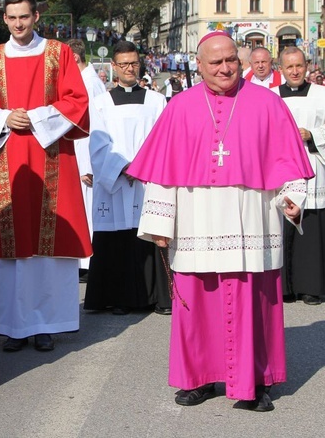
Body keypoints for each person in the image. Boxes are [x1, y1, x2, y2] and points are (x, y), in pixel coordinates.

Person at [127, 31, 313, 412]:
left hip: (252, 218)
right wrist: (161, 221)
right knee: (197, 302)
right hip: (196, 219)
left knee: (251, 301)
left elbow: (288, 166)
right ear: (199, 64)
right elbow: (163, 172)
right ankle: (198, 379)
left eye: (232, 60)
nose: (226, 68)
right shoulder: (179, 107)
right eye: (216, 62)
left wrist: (292, 199)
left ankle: (255, 381)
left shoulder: (267, 104)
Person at [0, 0, 91, 352]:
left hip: (51, 154)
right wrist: (5, 116)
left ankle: (45, 324)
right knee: (11, 248)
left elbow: (77, 100)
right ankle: (12, 325)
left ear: (36, 17)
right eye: (11, 18)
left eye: (24, 17)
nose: (18, 24)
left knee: (47, 248)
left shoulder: (59, 53)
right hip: (8, 155)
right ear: (4, 20)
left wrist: (37, 116)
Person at [83, 41, 170, 315]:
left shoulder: (157, 101)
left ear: (140, 64)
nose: (129, 68)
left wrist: (142, 166)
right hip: (116, 181)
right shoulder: (100, 103)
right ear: (114, 67)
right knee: (116, 238)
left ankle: (157, 297)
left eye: (133, 63)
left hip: (148, 179)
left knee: (148, 234)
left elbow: (164, 140)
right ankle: (116, 298)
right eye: (123, 64)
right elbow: (97, 143)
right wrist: (123, 167)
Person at [272, 47, 325, 305]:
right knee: (281, 225)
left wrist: (312, 136)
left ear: (306, 66)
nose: (295, 71)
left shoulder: (322, 94)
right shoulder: (270, 97)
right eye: (289, 67)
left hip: (313, 166)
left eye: (299, 66)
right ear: (280, 69)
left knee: (311, 228)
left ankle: (311, 287)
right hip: (281, 169)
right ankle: (283, 288)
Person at [67, 38, 107, 279]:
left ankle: (89, 261)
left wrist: (87, 164)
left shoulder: (90, 84)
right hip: (81, 154)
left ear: (74, 57)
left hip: (87, 155)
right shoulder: (85, 80)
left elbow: (92, 127)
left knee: (89, 209)